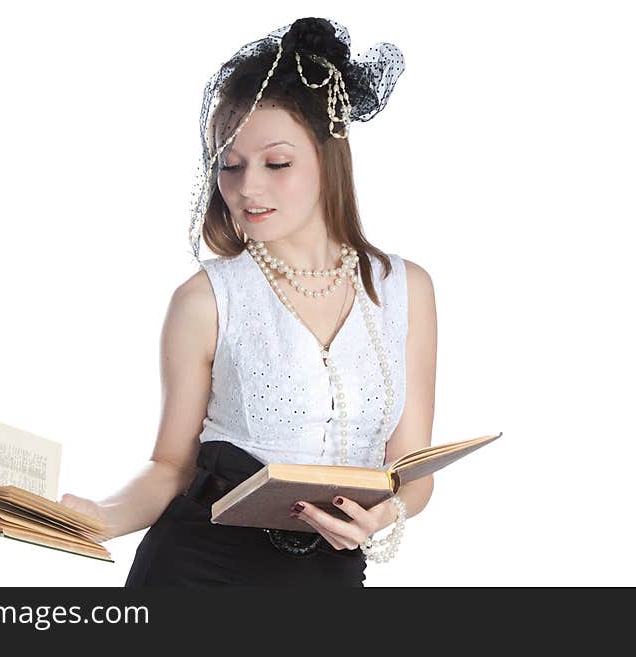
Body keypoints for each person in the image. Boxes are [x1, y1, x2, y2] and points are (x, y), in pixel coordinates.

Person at [59, 17, 437, 587]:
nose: (247, 189)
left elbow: (413, 469)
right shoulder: (204, 300)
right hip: (198, 570)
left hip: (328, 576)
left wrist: (383, 514)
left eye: (276, 163)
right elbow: (170, 467)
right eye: (229, 166)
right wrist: (102, 516)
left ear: (327, 155)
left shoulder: (406, 290)